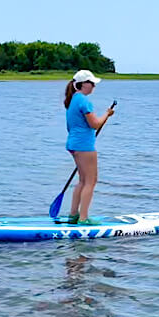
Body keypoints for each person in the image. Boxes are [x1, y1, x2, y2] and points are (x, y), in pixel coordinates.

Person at [63, 69, 115, 224]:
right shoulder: (84, 101)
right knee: (91, 181)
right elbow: (95, 124)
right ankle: (84, 218)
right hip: (84, 145)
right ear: (81, 84)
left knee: (82, 180)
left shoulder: (73, 99)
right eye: (91, 83)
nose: (93, 86)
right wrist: (107, 114)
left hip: (74, 144)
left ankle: (73, 215)